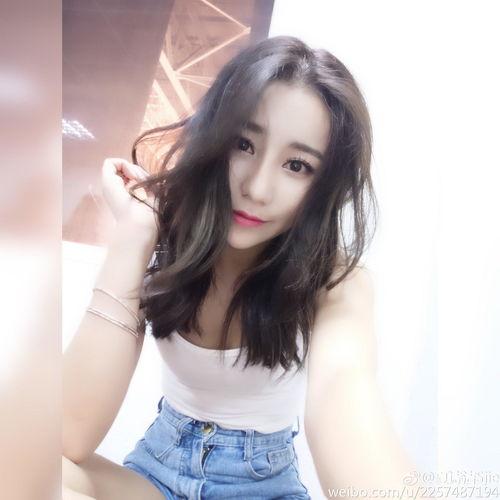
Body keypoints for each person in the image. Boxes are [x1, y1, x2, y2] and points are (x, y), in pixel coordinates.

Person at [63, 36, 421, 500]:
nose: (257, 188)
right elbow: (67, 435)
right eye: (244, 144)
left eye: (297, 165)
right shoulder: (168, 244)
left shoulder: (334, 283)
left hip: (261, 487)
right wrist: (136, 231)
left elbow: (343, 390)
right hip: (155, 474)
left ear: (325, 185)